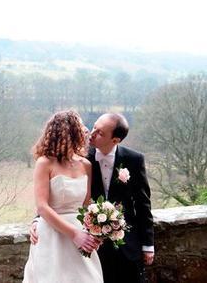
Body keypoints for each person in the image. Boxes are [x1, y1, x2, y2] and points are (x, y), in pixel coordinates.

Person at [30, 113, 154, 283]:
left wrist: (147, 244)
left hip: (103, 239)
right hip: (57, 238)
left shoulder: (88, 164)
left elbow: (142, 203)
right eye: (91, 127)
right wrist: (37, 221)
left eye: (100, 132)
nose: (91, 132)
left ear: (115, 140)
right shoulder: (48, 162)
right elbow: (44, 204)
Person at [23, 110, 104, 283]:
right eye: (81, 126)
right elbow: (42, 207)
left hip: (81, 234)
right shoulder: (44, 163)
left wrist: (97, 231)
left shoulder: (86, 165)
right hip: (52, 237)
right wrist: (75, 234)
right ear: (70, 131)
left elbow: (86, 205)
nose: (86, 130)